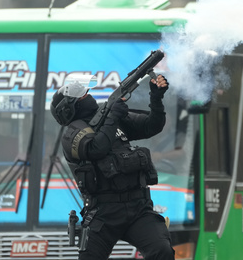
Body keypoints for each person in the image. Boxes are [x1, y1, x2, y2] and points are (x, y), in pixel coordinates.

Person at [50, 74, 175, 260]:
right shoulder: (72, 133)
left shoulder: (108, 116)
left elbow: (152, 126)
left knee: (162, 251)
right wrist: (113, 115)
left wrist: (156, 97)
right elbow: (96, 148)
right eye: (82, 96)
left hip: (138, 208)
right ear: (71, 108)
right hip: (103, 213)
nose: (88, 96)